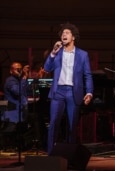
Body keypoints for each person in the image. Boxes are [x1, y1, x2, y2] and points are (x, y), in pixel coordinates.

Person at [43, 22, 94, 155]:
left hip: (73, 92)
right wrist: (53, 52)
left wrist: (89, 92)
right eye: (62, 33)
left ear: (73, 37)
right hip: (58, 92)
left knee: (72, 125)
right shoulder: (57, 52)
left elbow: (87, 75)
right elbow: (47, 68)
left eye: (67, 33)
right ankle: (50, 154)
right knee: (54, 123)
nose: (64, 35)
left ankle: (70, 156)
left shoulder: (83, 55)